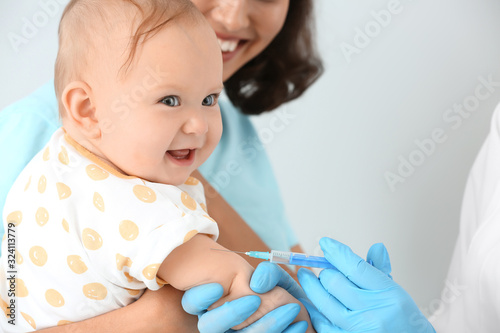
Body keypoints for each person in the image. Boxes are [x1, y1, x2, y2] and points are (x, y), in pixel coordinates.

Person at [0, 0, 324, 331]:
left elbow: (291, 263)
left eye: (209, 99)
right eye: (169, 101)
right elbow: (233, 280)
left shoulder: (235, 131)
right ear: (87, 110)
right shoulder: (124, 197)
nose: (198, 125)